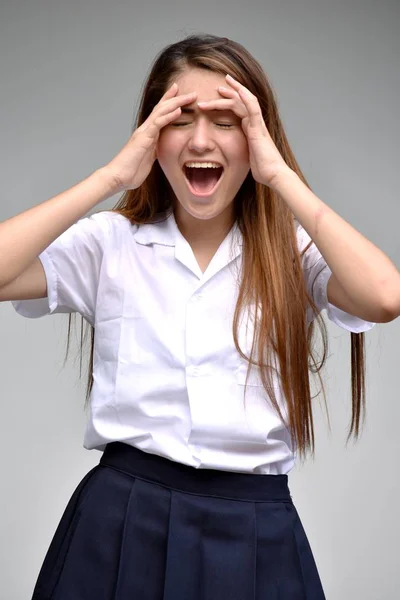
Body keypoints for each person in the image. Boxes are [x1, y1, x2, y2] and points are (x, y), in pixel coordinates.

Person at [1, 33, 399, 600]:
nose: (201, 140)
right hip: (119, 524)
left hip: (255, 533)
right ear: (152, 135)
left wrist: (279, 175)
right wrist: (113, 177)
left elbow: (385, 296)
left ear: (257, 136)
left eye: (227, 121)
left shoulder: (292, 252)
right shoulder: (111, 244)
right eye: (180, 119)